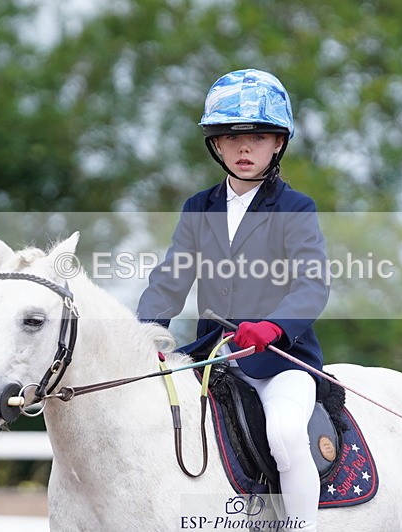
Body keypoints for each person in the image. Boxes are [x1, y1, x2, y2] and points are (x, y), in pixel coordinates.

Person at [137, 68, 329, 530]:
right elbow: (169, 282)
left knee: (284, 436)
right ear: (215, 144)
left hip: (280, 359)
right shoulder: (197, 208)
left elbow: (312, 284)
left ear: (278, 143)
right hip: (211, 359)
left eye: (258, 137)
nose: (245, 149)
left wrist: (274, 326)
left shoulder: (295, 208)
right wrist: (140, 333)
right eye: (231, 137)